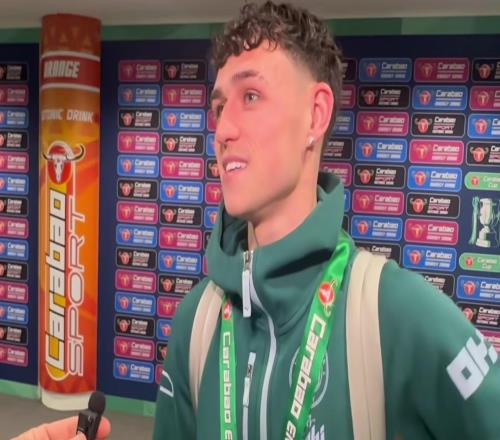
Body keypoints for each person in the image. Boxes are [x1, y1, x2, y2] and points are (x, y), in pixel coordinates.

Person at [14, 2, 500, 439]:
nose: (223, 129)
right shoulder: (196, 324)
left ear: (315, 116)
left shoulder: (400, 316)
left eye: (250, 96)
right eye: (219, 107)